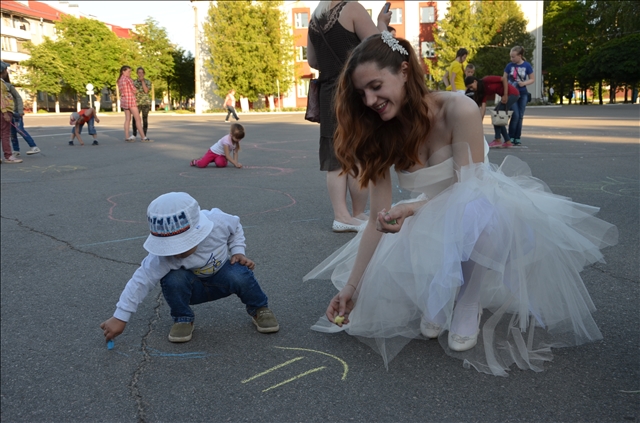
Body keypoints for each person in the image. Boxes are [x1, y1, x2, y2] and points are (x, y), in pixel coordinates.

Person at [303, 33, 618, 376]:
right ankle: (440, 292)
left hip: (486, 207)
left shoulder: (459, 109)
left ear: (404, 71)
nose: (369, 100)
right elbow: (377, 219)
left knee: (475, 214)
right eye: (362, 93)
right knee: (430, 224)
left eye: (376, 86)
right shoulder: (380, 128)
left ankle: (468, 299)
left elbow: (469, 193)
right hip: (431, 211)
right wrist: (352, 287)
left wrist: (410, 210)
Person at [100, 192, 279, 344]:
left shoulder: (218, 221)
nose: (175, 253)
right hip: (192, 288)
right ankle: (183, 318)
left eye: (181, 245)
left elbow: (236, 227)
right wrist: (120, 316)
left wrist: (238, 251)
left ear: (198, 230)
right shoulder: (162, 257)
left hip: (223, 275)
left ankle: (259, 308)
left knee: (240, 273)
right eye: (168, 247)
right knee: (173, 278)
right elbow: (140, 281)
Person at [307, 0, 391, 233]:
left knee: (338, 154)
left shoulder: (315, 18)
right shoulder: (351, 7)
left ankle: (350, 215)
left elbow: (312, 61)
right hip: (352, 92)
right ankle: (346, 215)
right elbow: (378, 47)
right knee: (358, 153)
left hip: (328, 93)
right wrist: (382, 24)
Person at [465, 75, 520, 148]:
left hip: (512, 93)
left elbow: (504, 79)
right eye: (469, 88)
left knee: (496, 115)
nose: (472, 89)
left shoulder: (486, 80)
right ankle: (507, 141)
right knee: (497, 117)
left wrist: (505, 94)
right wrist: (480, 123)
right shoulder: (482, 91)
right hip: (509, 95)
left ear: (475, 81)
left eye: (471, 86)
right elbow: (483, 108)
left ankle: (498, 139)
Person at [2, 71, 40, 156]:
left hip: (15, 112)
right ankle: (16, 150)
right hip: (8, 113)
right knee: (12, 133)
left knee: (20, 129)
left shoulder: (8, 86)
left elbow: (18, 98)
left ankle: (34, 146)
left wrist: (20, 111)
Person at [503, 46, 534, 146]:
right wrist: (505, 92)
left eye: (513, 57)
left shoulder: (527, 65)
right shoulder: (509, 66)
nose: (511, 59)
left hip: (522, 93)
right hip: (512, 94)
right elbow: (504, 79)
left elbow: (532, 79)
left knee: (520, 116)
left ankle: (517, 137)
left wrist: (524, 83)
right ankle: (510, 136)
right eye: (511, 57)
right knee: (515, 115)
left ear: (519, 56)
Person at [117, 66, 152, 142]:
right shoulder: (128, 79)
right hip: (130, 100)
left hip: (124, 100)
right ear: (123, 71)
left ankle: (127, 137)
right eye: (128, 71)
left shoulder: (120, 79)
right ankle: (143, 137)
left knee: (127, 119)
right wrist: (136, 90)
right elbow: (134, 90)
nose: (130, 73)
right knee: (138, 119)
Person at [0, 61, 22, 164]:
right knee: (5, 134)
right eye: (6, 69)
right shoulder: (1, 84)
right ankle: (8, 156)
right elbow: (1, 99)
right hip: (4, 111)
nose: (7, 72)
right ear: (3, 71)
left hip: (3, 111)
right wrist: (5, 113)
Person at [132, 67, 151, 139]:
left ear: (144, 73)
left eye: (142, 72)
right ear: (137, 73)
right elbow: (133, 92)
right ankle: (134, 134)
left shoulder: (147, 82)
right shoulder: (134, 82)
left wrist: (142, 81)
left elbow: (146, 90)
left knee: (145, 119)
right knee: (135, 119)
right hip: (136, 103)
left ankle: (144, 135)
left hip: (145, 103)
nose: (141, 74)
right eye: (139, 72)